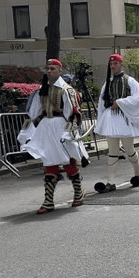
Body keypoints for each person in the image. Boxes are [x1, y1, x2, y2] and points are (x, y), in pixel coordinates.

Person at [20, 58, 88, 213]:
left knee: (68, 161)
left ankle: (78, 192)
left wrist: (69, 132)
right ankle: (48, 200)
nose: (49, 71)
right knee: (49, 161)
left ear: (59, 70)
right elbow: (33, 112)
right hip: (46, 128)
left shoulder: (66, 90)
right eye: (48, 68)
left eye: (52, 68)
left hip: (61, 127)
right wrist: (25, 131)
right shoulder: (41, 90)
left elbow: (72, 113)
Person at [93, 53, 139, 193]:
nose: (113, 66)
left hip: (124, 120)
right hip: (111, 119)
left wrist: (120, 102)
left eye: (115, 63)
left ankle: (138, 174)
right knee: (113, 152)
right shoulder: (108, 82)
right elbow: (101, 101)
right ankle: (110, 182)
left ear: (120, 64)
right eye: (111, 64)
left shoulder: (130, 81)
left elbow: (138, 99)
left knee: (129, 150)